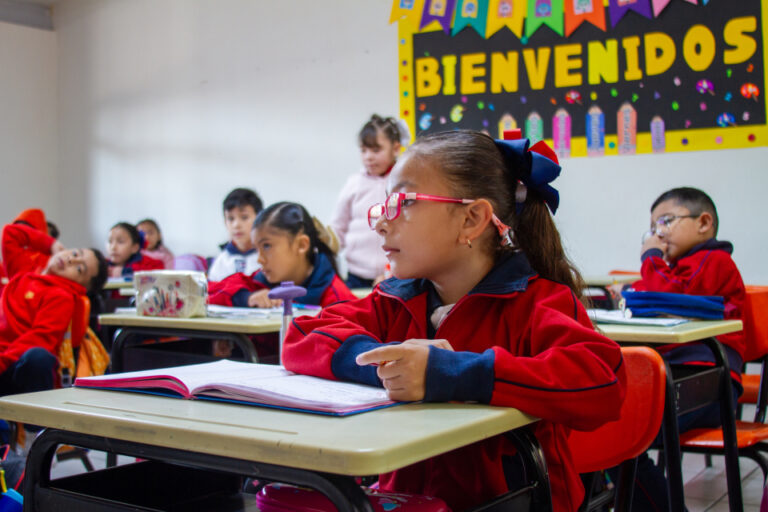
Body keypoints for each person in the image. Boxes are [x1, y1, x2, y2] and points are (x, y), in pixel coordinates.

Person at [281, 131, 626, 511]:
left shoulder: (537, 302)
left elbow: (604, 381)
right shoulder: (396, 299)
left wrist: (453, 372)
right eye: (385, 204)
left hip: (517, 504)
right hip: (410, 503)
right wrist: (389, 369)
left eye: (403, 202)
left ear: (472, 218)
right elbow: (301, 336)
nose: (381, 222)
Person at [618, 186, 746, 511]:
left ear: (704, 223)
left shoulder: (714, 260)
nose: (658, 234)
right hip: (679, 381)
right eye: (653, 227)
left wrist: (650, 257)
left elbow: (664, 294)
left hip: (712, 385)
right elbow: (648, 299)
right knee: (607, 426)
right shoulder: (677, 266)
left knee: (617, 431)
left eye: (666, 221)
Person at [0, 222, 108, 396]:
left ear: (80, 284)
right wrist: (50, 243)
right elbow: (11, 233)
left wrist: (2, 361)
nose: (71, 259)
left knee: (39, 357)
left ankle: (33, 423)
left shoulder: (61, 296)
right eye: (75, 253)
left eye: (79, 269)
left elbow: (40, 339)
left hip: (11, 367)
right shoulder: (26, 270)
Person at [209, 202, 356, 309]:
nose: (259, 259)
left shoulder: (337, 299)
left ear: (301, 245)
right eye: (256, 249)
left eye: (267, 246)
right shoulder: (259, 284)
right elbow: (207, 293)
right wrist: (245, 298)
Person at [330, 115, 410, 289]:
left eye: (376, 150)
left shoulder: (403, 182)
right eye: (363, 150)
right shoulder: (354, 183)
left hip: (394, 273)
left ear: (395, 148)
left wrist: (391, 271)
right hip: (356, 274)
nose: (368, 157)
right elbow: (338, 227)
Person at [208, 188, 264, 282]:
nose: (236, 225)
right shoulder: (222, 261)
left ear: (259, 219)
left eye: (244, 217)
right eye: (230, 219)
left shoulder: (265, 256)